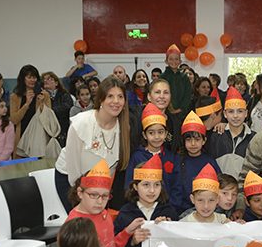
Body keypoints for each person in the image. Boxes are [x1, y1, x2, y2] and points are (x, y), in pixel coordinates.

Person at [54, 76, 131, 212]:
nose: (116, 101)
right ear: (101, 99)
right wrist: (83, 196)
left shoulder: (124, 128)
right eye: (110, 96)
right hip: (70, 180)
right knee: (82, 226)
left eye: (120, 97)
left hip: (98, 185)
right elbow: (74, 169)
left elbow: (111, 169)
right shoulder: (82, 123)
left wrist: (103, 196)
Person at [65, 159, 142, 247]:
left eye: (105, 196)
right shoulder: (75, 224)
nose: (100, 202)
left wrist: (127, 232)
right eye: (93, 195)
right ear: (80, 193)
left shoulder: (105, 214)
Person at [124, 103, 179, 197]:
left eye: (160, 132)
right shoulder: (137, 157)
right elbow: (129, 186)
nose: (156, 137)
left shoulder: (171, 157)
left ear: (166, 134)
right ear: (145, 135)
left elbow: (177, 187)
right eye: (151, 133)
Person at [171, 111, 221, 214]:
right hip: (182, 212)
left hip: (207, 210)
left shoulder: (210, 162)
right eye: (189, 140)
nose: (193, 144)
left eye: (197, 139)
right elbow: (175, 189)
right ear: (183, 141)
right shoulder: (178, 161)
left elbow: (219, 187)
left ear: (204, 141)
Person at [206, 87, 254, 180]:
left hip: (243, 190)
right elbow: (210, 163)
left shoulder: (254, 138)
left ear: (246, 113)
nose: (235, 116)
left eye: (240, 111)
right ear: (225, 114)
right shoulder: (216, 135)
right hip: (220, 188)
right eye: (231, 111)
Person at [10, 64, 49, 148]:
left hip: (39, 137)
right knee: (21, 161)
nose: (32, 80)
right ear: (23, 79)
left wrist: (42, 104)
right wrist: (26, 104)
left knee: (39, 160)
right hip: (21, 136)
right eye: (29, 77)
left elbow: (48, 119)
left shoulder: (44, 95)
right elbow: (14, 120)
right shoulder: (15, 96)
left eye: (34, 77)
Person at [42, 71, 74, 146]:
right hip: (46, 128)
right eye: (44, 79)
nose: (46, 81)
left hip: (62, 128)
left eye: (49, 79)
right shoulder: (41, 95)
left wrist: (51, 110)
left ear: (56, 83)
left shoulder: (64, 94)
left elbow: (67, 107)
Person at [161, 44, 193, 121]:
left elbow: (188, 95)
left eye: (176, 59)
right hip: (165, 113)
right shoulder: (162, 77)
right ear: (166, 61)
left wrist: (180, 109)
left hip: (182, 114)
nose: (174, 61)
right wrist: (169, 108)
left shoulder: (184, 77)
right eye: (171, 59)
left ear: (180, 61)